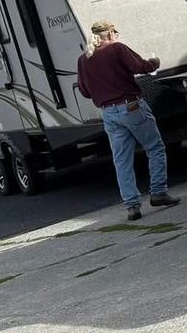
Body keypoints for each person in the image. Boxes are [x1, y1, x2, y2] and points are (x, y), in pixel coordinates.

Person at [76, 20, 181, 221]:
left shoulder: (83, 59)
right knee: (154, 147)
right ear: (110, 34)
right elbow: (139, 66)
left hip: (108, 113)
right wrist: (155, 62)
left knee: (122, 160)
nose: (116, 36)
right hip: (131, 106)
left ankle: (132, 206)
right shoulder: (117, 49)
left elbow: (85, 91)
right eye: (115, 33)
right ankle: (158, 192)